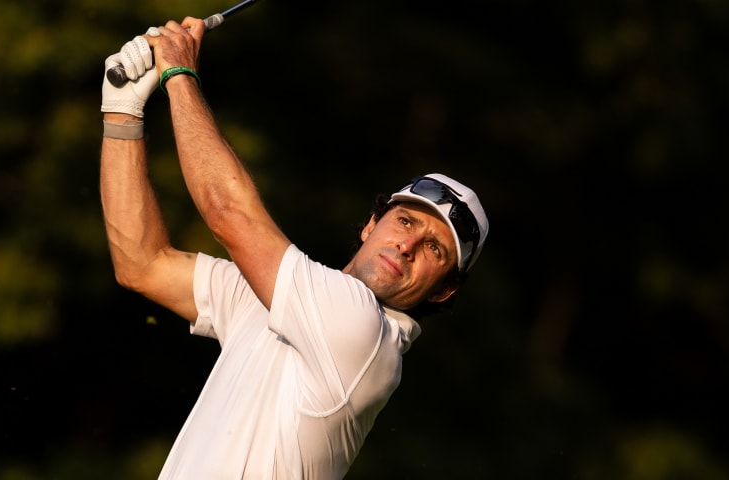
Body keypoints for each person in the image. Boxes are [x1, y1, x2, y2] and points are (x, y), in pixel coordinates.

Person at [99, 16, 489, 479]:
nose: (407, 245)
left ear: (443, 291)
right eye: (404, 221)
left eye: (434, 249)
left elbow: (228, 213)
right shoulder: (286, 298)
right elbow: (142, 264)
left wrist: (178, 73)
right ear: (370, 224)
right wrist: (123, 112)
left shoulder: (364, 331)